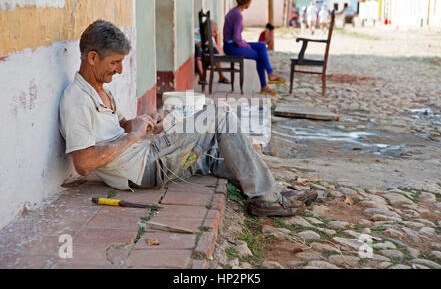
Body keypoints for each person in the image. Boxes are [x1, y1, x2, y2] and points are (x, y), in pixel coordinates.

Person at [59, 20, 317, 217]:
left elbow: (120, 126)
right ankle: (266, 199)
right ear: (92, 58)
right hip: (144, 167)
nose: (120, 69)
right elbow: (83, 163)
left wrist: (144, 122)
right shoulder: (77, 100)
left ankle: (272, 191)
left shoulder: (100, 90)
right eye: (115, 62)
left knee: (217, 150)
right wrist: (132, 136)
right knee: (218, 115)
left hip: (147, 154)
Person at [223, 0, 286, 97]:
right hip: (231, 47)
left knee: (261, 45)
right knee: (259, 56)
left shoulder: (234, 11)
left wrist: (245, 43)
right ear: (248, 2)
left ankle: (269, 75)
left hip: (231, 44)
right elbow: (236, 39)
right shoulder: (238, 15)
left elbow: (236, 38)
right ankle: (267, 81)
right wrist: (246, 45)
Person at [194, 20, 230, 85]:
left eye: (216, 32)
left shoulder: (210, 37)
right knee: (197, 48)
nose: (215, 34)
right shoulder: (194, 32)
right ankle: (202, 76)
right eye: (214, 31)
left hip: (206, 58)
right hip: (196, 60)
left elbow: (215, 47)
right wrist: (199, 44)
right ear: (207, 30)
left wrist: (206, 43)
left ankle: (221, 76)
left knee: (213, 50)